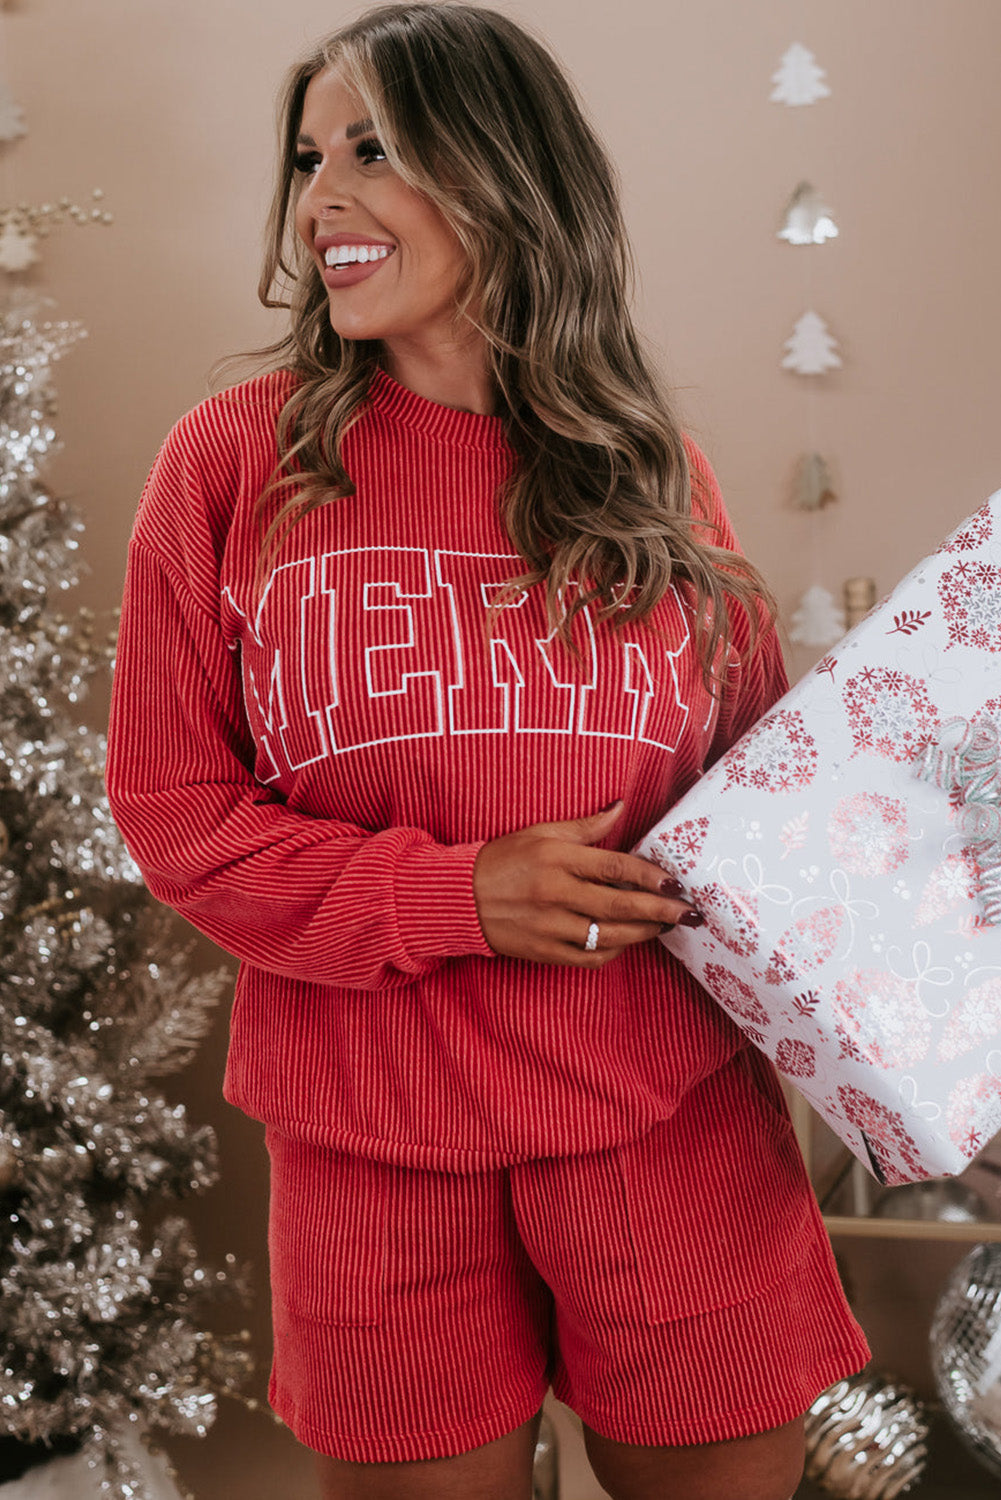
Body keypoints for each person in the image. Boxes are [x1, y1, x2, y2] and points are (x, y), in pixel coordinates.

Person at [105, 6, 869, 1497]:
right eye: (309, 156)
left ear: (505, 173)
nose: (320, 198)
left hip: (668, 1121)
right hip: (369, 1135)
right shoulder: (231, 460)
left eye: (373, 148)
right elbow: (175, 812)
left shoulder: (650, 467)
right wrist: (457, 897)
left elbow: (754, 804)